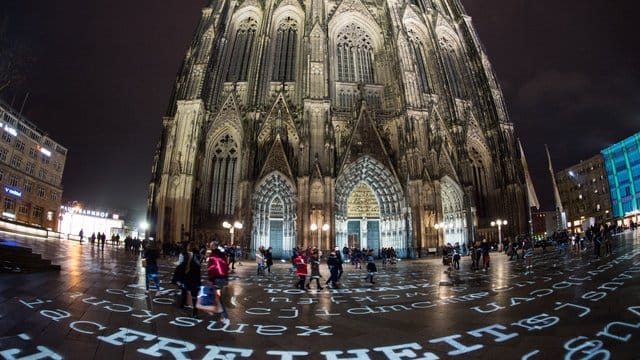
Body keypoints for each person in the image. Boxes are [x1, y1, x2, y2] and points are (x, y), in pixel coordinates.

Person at [207, 243, 230, 324]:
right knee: (217, 295)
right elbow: (226, 267)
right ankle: (214, 309)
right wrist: (226, 278)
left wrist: (210, 279)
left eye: (211, 246)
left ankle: (225, 316)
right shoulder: (223, 255)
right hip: (223, 278)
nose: (210, 247)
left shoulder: (213, 255)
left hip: (217, 278)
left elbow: (211, 268)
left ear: (214, 247)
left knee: (218, 297)